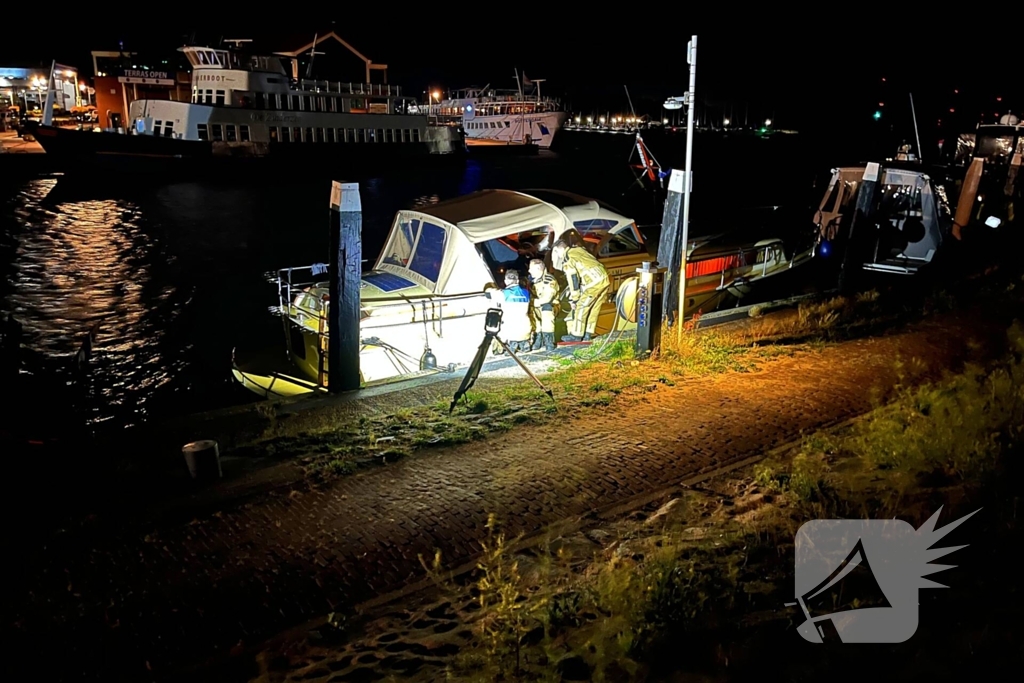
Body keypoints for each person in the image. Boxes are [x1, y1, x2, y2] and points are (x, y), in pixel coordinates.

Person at [550, 239, 609, 342]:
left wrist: (575, 298)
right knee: (594, 308)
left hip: (593, 282)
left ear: (557, 250)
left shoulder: (568, 259)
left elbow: (573, 279)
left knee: (581, 307)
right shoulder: (578, 250)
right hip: (604, 278)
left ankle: (576, 335)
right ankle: (588, 333)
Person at [495, 269, 533, 354]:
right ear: (518, 280)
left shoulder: (502, 293)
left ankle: (512, 344)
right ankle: (524, 343)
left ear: (505, 281)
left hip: (511, 329)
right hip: (525, 327)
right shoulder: (526, 292)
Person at [528, 258, 558, 351]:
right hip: (537, 306)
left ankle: (548, 340)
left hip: (551, 306)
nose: (529, 271)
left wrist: (532, 302)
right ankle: (538, 336)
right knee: (530, 311)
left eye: (531, 269)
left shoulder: (549, 281)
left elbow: (547, 299)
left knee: (546, 309)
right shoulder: (533, 281)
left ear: (538, 269)